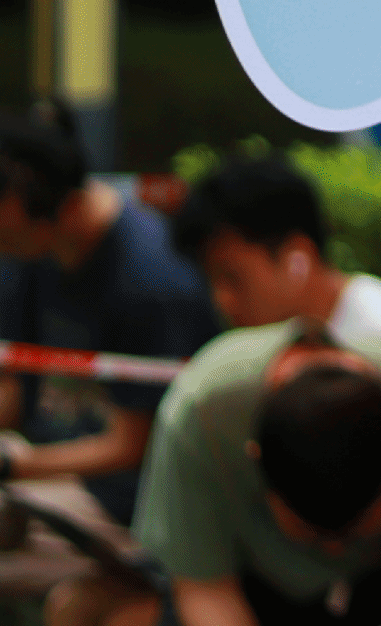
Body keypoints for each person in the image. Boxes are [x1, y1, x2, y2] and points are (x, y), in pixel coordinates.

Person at [46, 321, 381, 626]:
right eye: (309, 532)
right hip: (255, 584)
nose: (333, 549)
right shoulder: (202, 414)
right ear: (254, 459)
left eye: (354, 529)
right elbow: (205, 590)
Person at [0, 117, 219, 526]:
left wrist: (14, 466)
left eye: (7, 237)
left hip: (130, 504)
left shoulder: (152, 279)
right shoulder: (29, 251)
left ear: (67, 209)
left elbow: (132, 445)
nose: (2, 248)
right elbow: (13, 387)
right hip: (47, 475)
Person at [171, 154, 381, 340]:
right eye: (211, 281)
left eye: (233, 279)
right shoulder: (286, 344)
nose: (221, 301)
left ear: (297, 258)